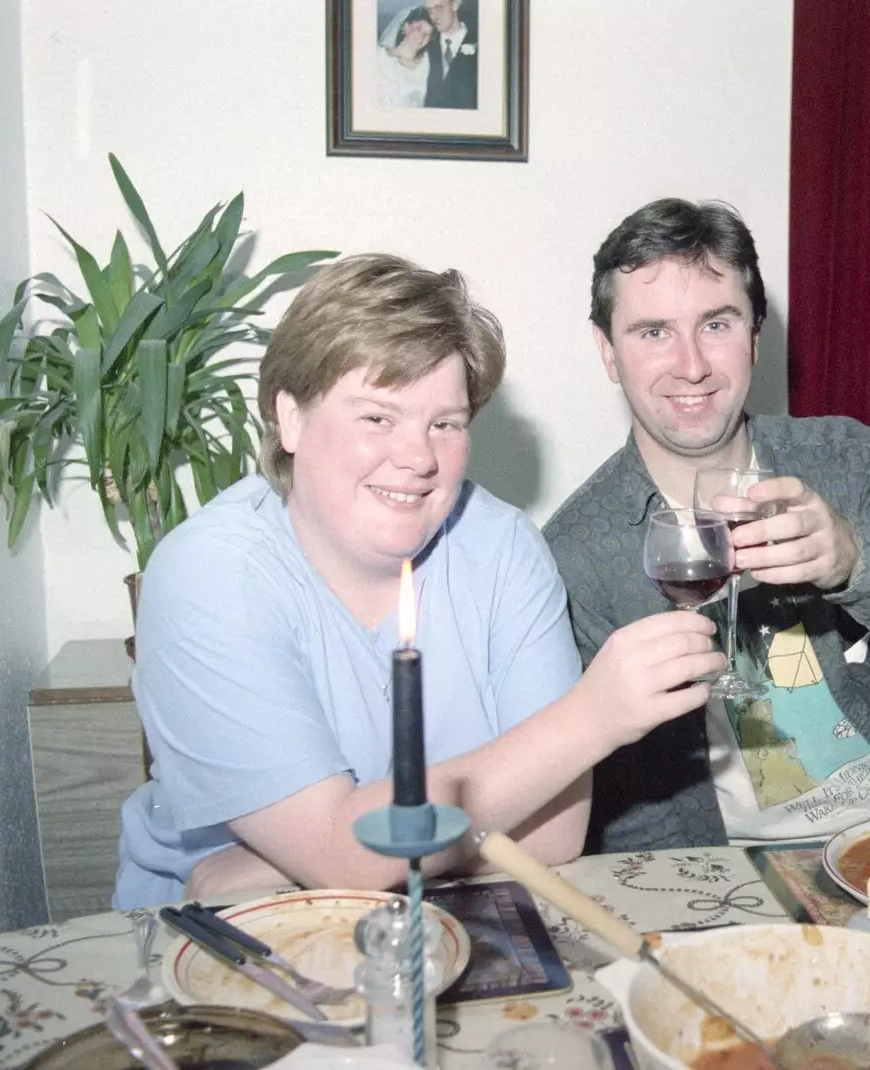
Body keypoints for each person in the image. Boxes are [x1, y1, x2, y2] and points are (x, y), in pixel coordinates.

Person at [114, 254, 721, 908]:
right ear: (288, 418)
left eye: (445, 423)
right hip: (231, 936)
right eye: (378, 417)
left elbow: (555, 833)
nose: (418, 458)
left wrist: (295, 862)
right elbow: (335, 851)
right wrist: (590, 721)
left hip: (449, 917)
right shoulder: (210, 573)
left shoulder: (504, 547)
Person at [542, 199, 870, 853]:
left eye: (716, 323)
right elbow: (612, 805)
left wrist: (860, 561)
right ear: (609, 352)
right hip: (726, 872)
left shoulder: (850, 460)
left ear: (754, 336)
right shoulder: (573, 552)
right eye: (653, 332)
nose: (691, 365)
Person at [422, 0, 477, 110]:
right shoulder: (425, 46)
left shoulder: (481, 43)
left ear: (455, 4)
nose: (434, 16)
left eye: (439, 7)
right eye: (429, 10)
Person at [376, 6, 432, 109]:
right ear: (406, 27)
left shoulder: (427, 64)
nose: (421, 37)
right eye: (418, 28)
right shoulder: (379, 56)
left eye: (427, 33)